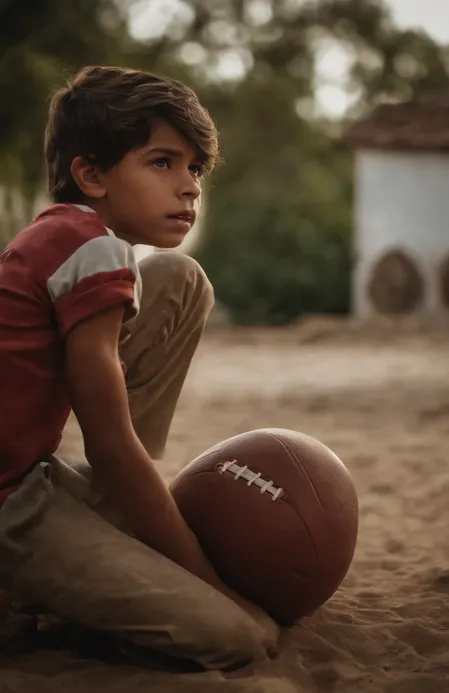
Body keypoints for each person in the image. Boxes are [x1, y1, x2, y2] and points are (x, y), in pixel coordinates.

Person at [0, 65, 278, 670]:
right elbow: (112, 445)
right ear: (91, 174)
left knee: (180, 279)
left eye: (194, 169)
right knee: (235, 636)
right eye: (162, 162)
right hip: (8, 504)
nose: (189, 187)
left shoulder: (68, 238)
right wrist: (213, 585)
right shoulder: (91, 249)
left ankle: (110, 524)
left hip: (29, 472)